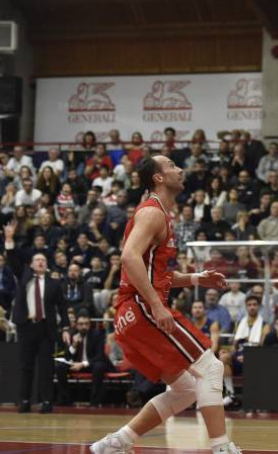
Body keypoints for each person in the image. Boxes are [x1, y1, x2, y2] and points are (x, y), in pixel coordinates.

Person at [89, 156, 240, 454]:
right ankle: (222, 449)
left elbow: (156, 274)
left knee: (185, 390)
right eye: (171, 165)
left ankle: (117, 442)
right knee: (211, 368)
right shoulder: (152, 213)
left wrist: (197, 278)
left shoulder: (158, 215)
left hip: (131, 313)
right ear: (158, 178)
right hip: (142, 307)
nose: (180, 169)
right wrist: (157, 307)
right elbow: (130, 258)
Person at [4, 220, 71, 414]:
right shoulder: (23, 275)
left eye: (43, 260)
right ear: (31, 265)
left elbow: (63, 305)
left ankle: (47, 402)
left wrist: (65, 327)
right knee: (26, 366)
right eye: (37, 260)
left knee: (46, 367)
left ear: (46, 264)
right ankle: (24, 400)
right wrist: (9, 240)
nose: (40, 262)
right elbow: (13, 260)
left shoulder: (53, 283)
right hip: (26, 326)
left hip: (45, 328)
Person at [54, 312, 112, 407]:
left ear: (90, 324)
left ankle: (94, 401)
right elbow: (67, 357)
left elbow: (100, 356)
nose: (84, 326)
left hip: (91, 364)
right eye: (81, 324)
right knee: (60, 367)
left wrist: (83, 364)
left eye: (86, 324)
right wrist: (74, 346)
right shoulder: (71, 334)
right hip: (75, 364)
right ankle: (65, 399)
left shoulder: (97, 334)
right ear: (76, 325)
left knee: (99, 366)